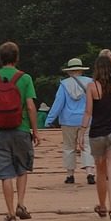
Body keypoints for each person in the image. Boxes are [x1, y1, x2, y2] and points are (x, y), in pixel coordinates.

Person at [0, 41, 40, 221]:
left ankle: (10, 213)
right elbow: (30, 106)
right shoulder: (25, 78)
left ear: (0, 58)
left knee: (5, 173)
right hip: (21, 129)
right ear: (17, 58)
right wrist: (35, 130)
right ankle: (21, 205)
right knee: (22, 168)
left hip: (1, 131)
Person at [77, 50, 111, 221]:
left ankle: (102, 205)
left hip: (97, 134)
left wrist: (81, 132)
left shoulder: (92, 87)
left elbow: (88, 112)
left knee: (100, 172)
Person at [44, 57, 96, 185]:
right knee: (87, 146)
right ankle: (89, 172)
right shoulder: (90, 82)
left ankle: (70, 175)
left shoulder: (64, 84)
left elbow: (58, 104)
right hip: (86, 120)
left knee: (69, 147)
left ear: (69, 72)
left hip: (68, 121)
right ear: (81, 70)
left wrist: (49, 120)